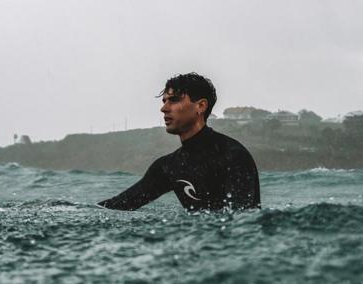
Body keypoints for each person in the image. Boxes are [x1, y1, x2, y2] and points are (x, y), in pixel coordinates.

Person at [98, 72, 261, 211]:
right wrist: (74, 211)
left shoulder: (232, 155)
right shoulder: (169, 167)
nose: (164, 108)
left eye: (174, 100)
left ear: (201, 106)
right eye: (164, 101)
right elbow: (115, 207)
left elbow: (243, 222)